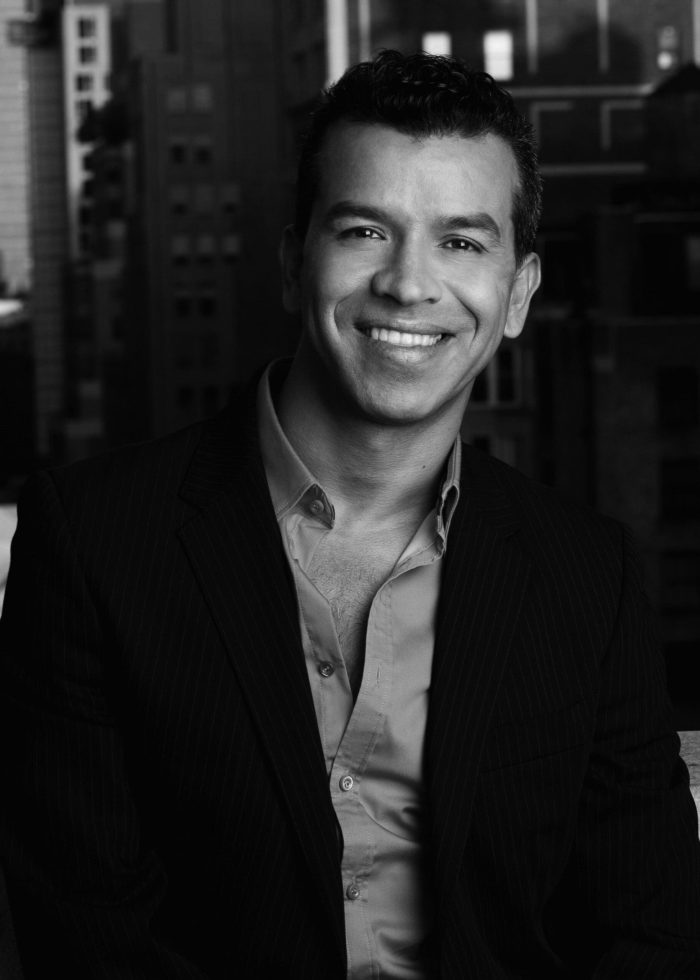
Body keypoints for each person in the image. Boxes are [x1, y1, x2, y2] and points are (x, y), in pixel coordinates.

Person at [1, 49, 699, 980]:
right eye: (367, 230)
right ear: (295, 260)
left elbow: (648, 933)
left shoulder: (588, 576)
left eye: (461, 241)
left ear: (519, 292)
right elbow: (87, 942)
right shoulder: (93, 543)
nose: (411, 285)